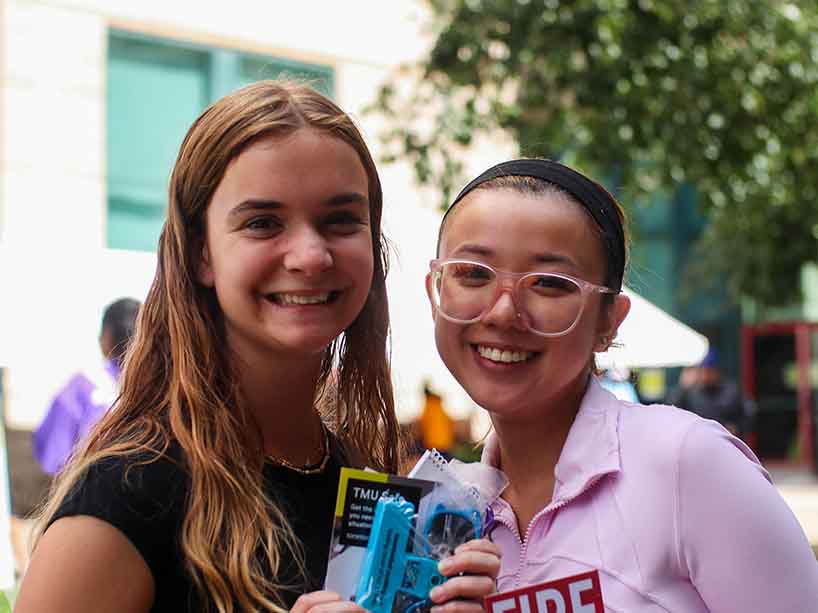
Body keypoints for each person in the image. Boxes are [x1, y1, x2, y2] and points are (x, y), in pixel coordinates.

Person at [15, 81, 499, 613]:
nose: (310, 256)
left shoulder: (354, 477)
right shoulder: (131, 492)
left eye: (340, 220)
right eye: (263, 223)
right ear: (201, 254)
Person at [426, 158, 818, 611]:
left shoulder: (685, 465)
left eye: (551, 283)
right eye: (473, 273)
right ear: (434, 293)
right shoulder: (442, 516)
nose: (501, 312)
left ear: (609, 322)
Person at [32, 297, 141, 475]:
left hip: (89, 494)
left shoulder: (83, 386)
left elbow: (53, 456)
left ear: (106, 338)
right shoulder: (161, 390)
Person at [668, 349, 747, 436]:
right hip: (699, 440)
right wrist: (682, 387)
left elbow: (747, 415)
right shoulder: (691, 391)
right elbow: (672, 412)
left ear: (717, 371)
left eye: (709, 371)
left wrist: (737, 427)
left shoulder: (731, 390)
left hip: (725, 441)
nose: (706, 375)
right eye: (703, 371)